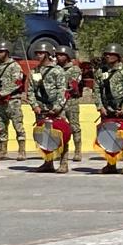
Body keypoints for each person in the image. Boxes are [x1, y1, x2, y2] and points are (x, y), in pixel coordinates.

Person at [26, 41, 73, 173]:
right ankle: (48, 162)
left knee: (61, 135)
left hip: (56, 108)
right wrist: (34, 105)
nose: (38, 56)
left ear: (47, 54)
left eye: (41, 53)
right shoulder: (35, 71)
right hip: (41, 109)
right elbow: (30, 90)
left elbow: (62, 90)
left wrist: (57, 107)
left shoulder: (57, 71)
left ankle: (63, 163)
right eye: (37, 53)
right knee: (44, 136)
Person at [94, 45, 123, 175]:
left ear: (118, 56)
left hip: (121, 110)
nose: (108, 56)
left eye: (111, 54)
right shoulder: (101, 71)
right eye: (106, 54)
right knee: (108, 137)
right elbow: (97, 90)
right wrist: (100, 106)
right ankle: (110, 164)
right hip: (106, 110)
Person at [0, 40, 26, 162]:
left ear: (7, 52)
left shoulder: (14, 66)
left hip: (12, 101)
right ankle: (3, 150)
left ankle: (21, 150)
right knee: (1, 127)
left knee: (18, 126)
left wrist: (3, 93)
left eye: (1, 52)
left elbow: (17, 82)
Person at [55, 46, 84, 162]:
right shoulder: (55, 69)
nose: (59, 57)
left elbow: (73, 85)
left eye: (61, 55)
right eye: (57, 55)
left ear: (68, 56)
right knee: (59, 127)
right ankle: (60, 150)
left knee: (74, 126)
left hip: (71, 100)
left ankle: (77, 150)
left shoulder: (74, 69)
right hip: (58, 102)